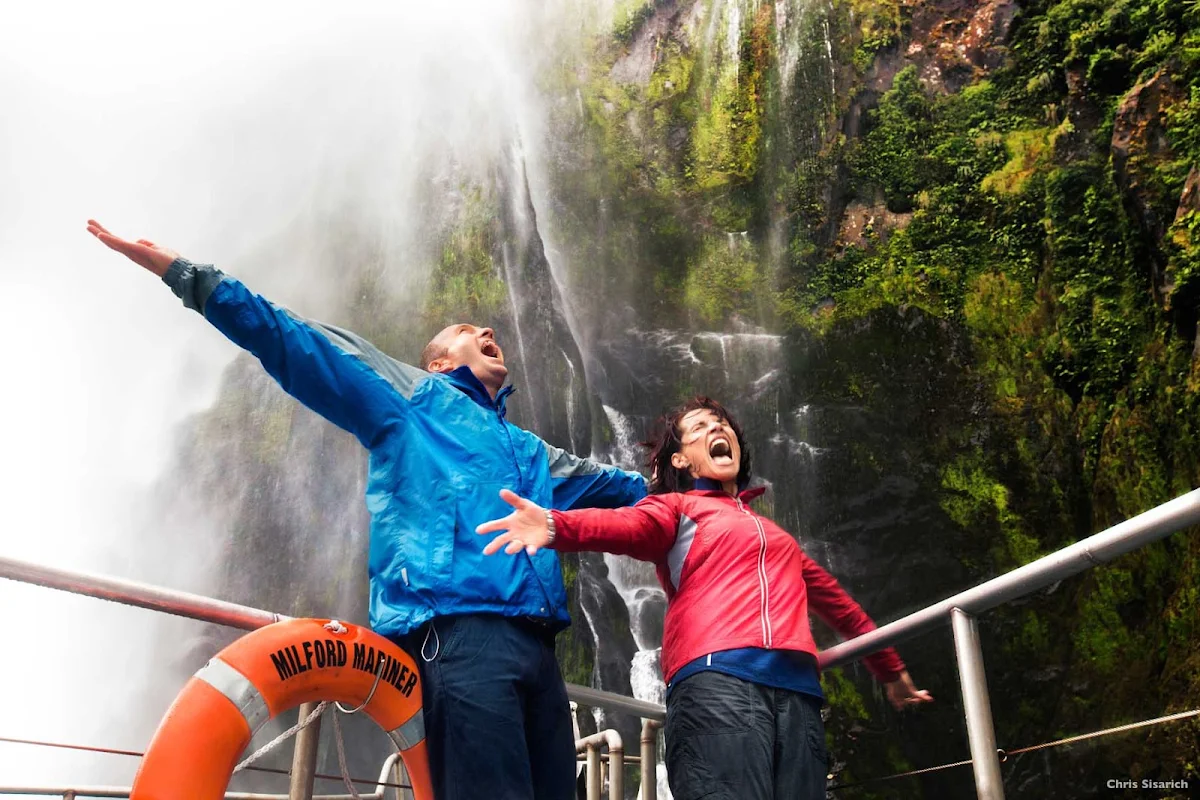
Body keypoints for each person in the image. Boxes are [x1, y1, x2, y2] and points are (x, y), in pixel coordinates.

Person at [86, 220, 646, 800]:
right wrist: (188, 276)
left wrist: (687, 478)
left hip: (538, 647)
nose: (486, 328)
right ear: (436, 362)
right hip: (460, 634)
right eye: (464, 329)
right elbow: (296, 342)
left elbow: (618, 486)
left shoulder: (531, 452)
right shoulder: (412, 399)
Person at [476, 396, 933, 800]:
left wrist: (891, 672)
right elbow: (626, 528)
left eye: (720, 423)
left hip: (798, 696)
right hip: (718, 686)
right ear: (680, 461)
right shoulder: (675, 509)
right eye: (698, 428)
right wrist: (556, 526)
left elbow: (841, 608)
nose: (716, 428)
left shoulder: (780, 540)